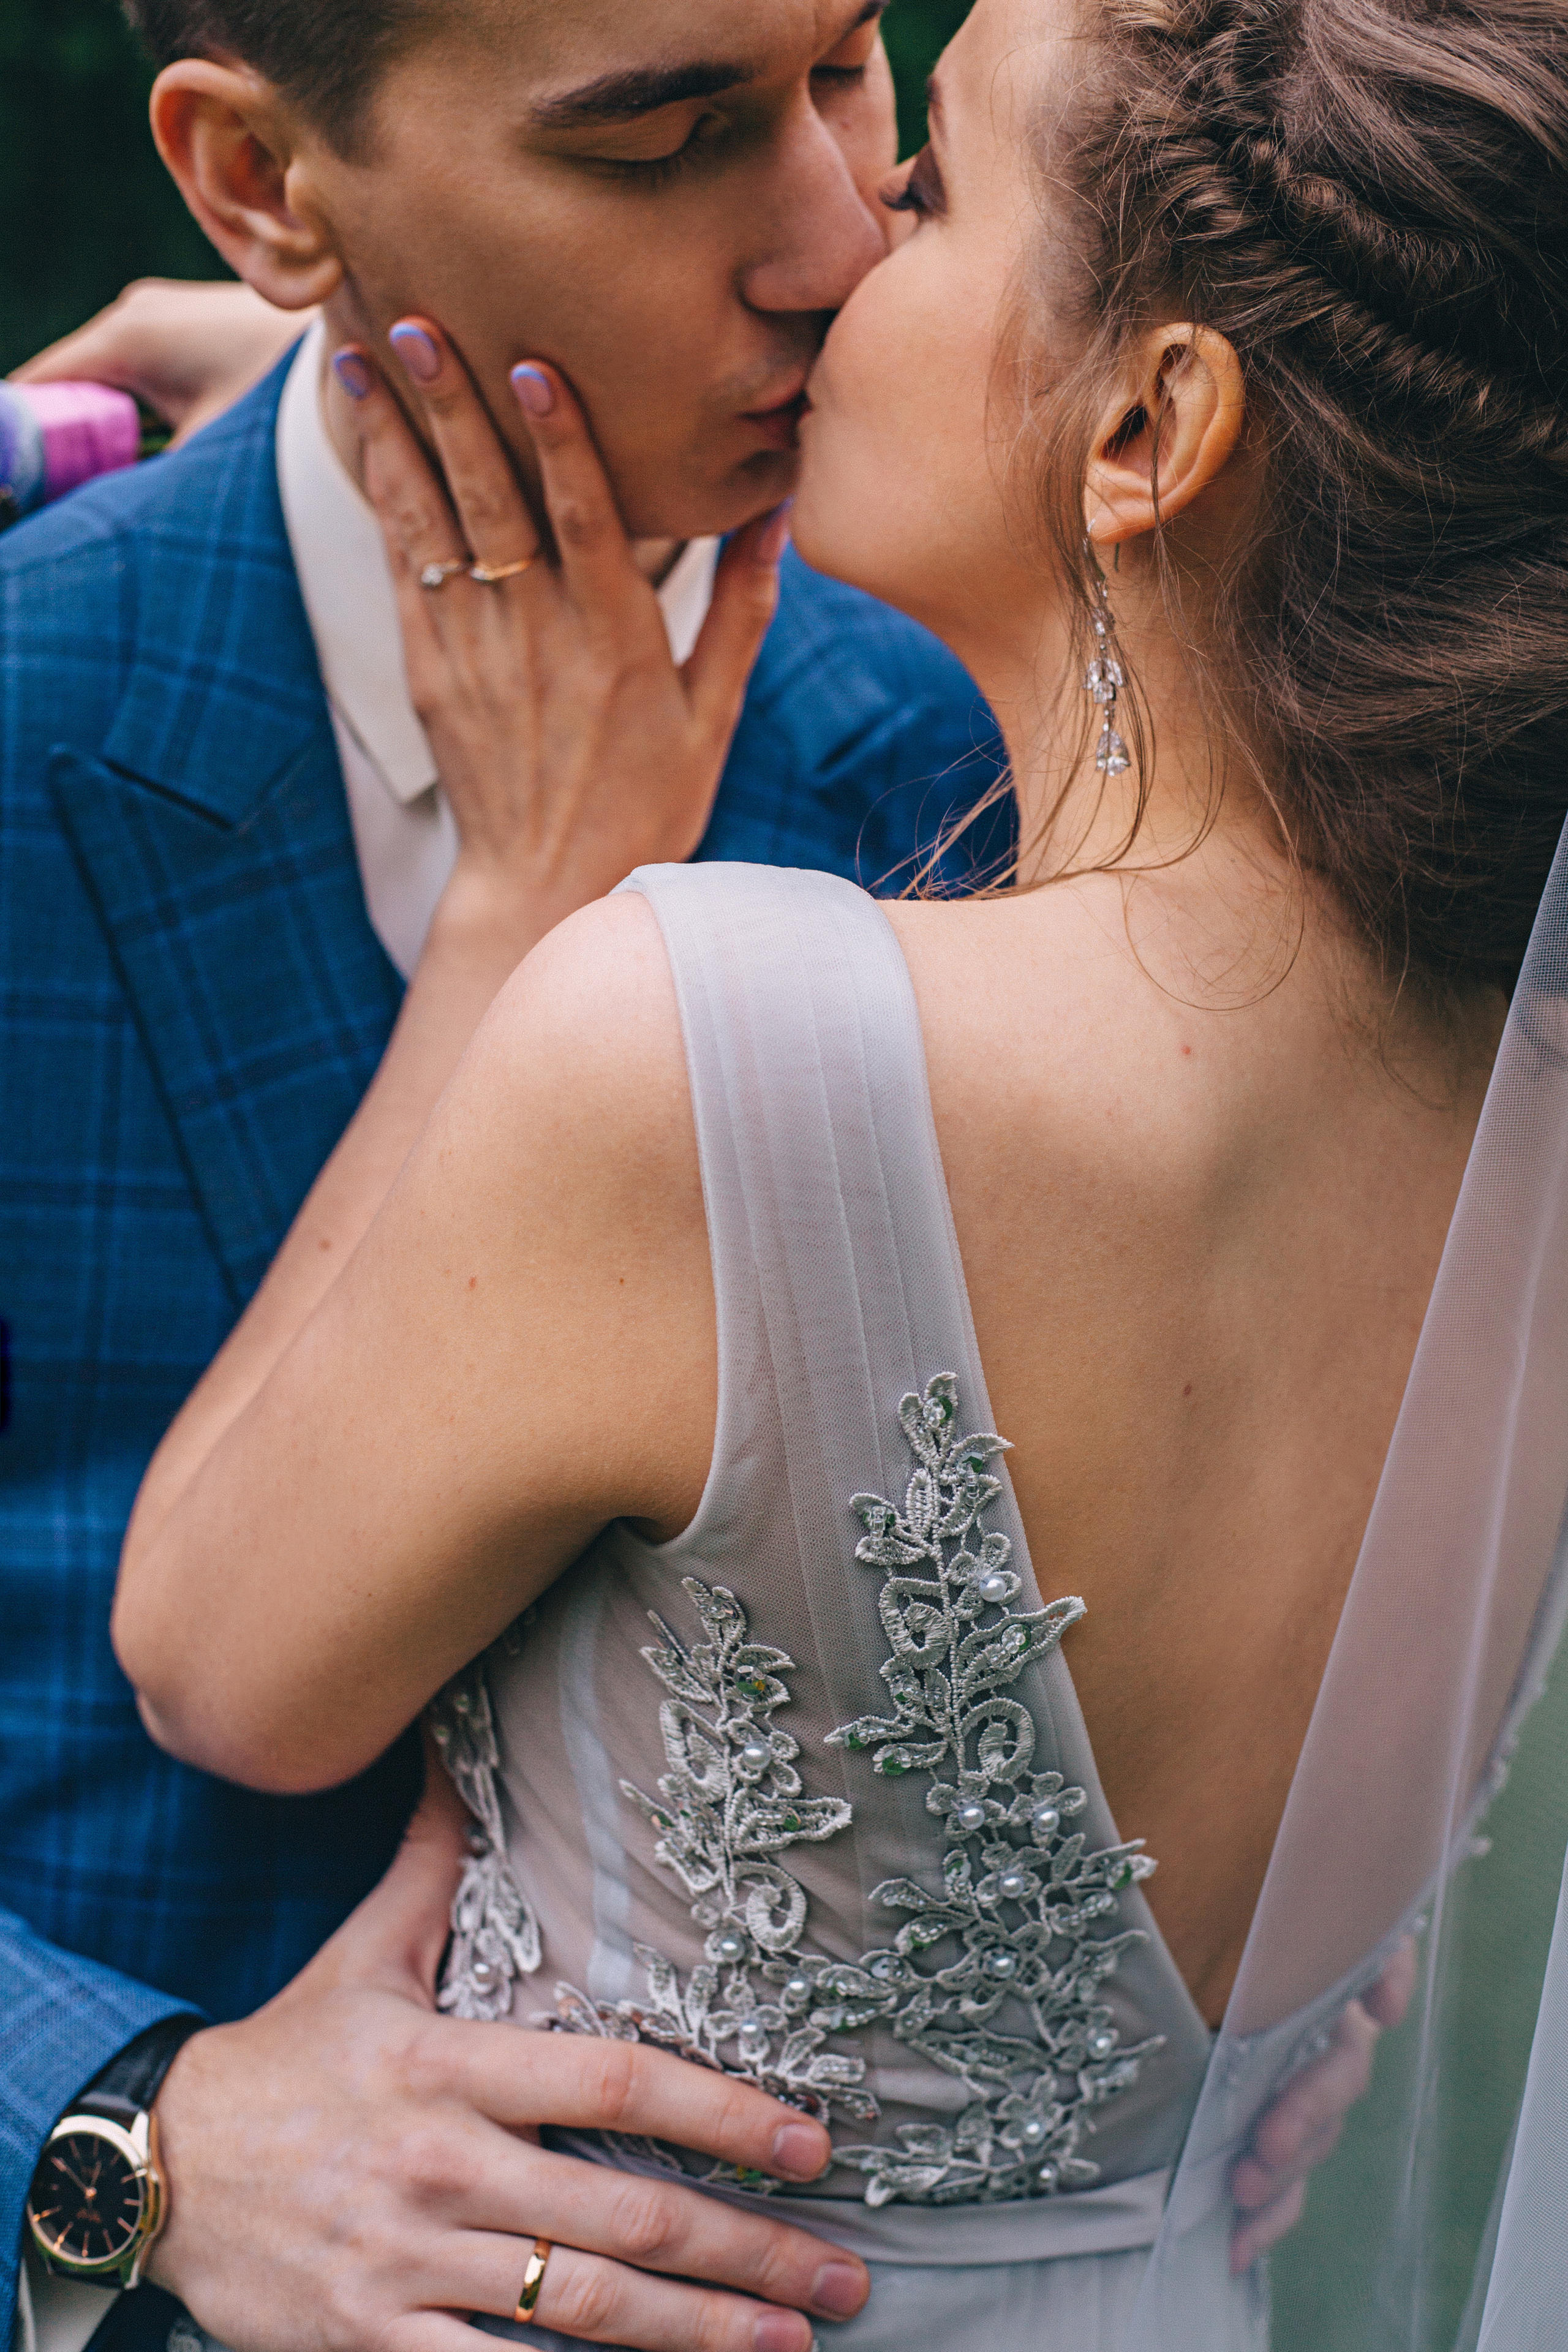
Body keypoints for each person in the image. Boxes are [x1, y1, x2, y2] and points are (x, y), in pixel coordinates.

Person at [106, 0, 1568, 2337]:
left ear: (1156, 427)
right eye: (688, 137)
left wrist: (523, 912)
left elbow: (213, 1665)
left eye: (928, 186)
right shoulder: (1526, 1118)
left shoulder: (705, 1034)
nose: (831, 249)